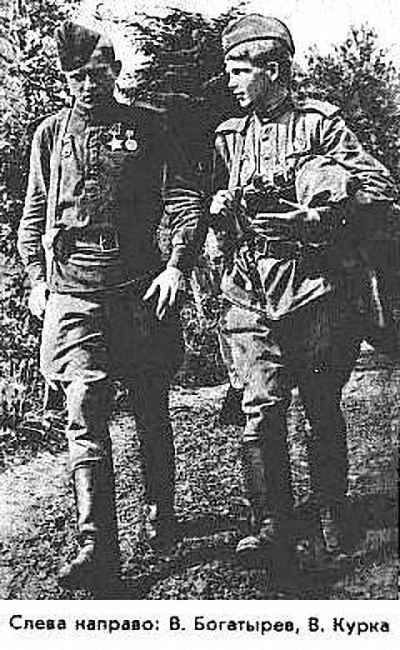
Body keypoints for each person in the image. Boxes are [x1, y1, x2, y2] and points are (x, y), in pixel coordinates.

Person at [18, 20, 205, 591]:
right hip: (73, 290)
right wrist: (36, 280)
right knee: (82, 407)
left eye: (95, 74)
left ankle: (160, 511)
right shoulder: (50, 135)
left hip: (138, 290)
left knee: (150, 405)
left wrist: (177, 265)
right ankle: (96, 544)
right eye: (74, 77)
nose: (85, 85)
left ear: (115, 71)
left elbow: (185, 201)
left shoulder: (149, 126)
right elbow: (33, 216)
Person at [209, 13, 395, 566]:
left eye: (240, 70)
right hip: (249, 287)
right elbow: (217, 203)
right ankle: (271, 522)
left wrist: (314, 216)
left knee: (318, 404)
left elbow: (380, 188)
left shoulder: (320, 125)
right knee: (260, 405)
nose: (231, 81)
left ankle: (332, 508)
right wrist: (222, 210)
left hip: (313, 288)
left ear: (273, 70)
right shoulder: (229, 136)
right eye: (228, 71)